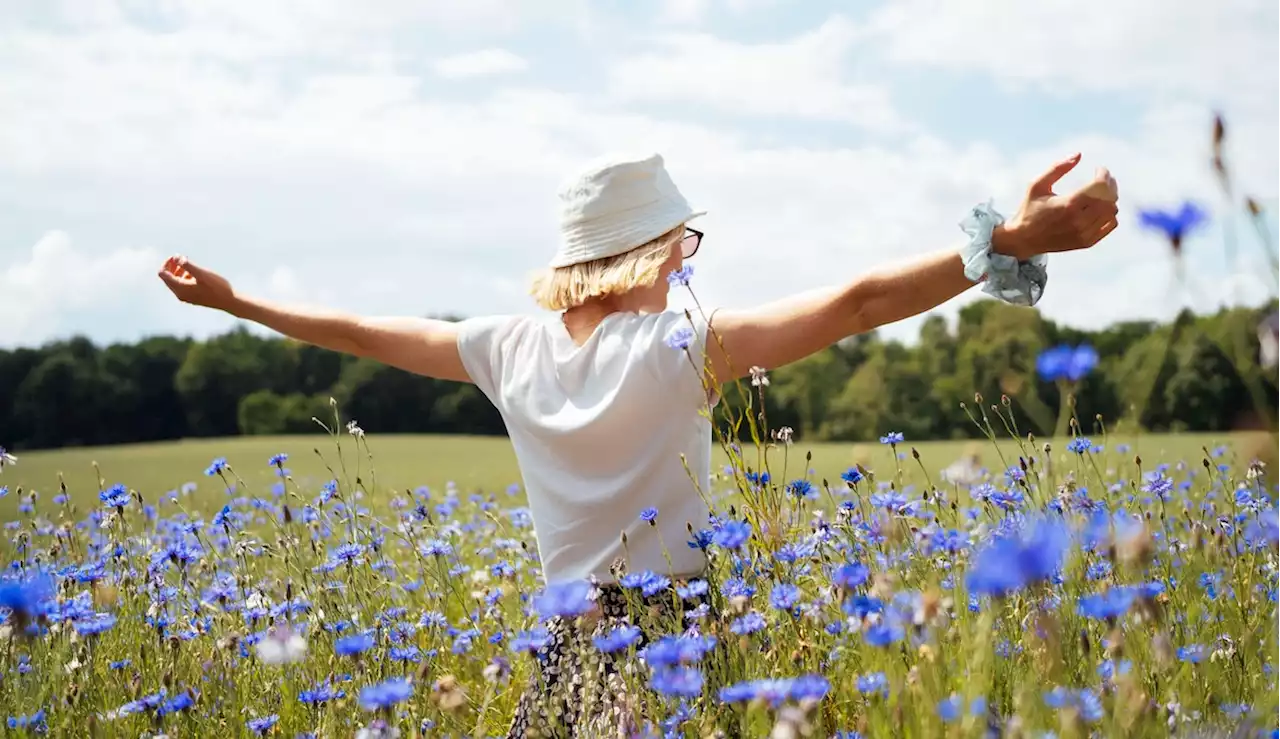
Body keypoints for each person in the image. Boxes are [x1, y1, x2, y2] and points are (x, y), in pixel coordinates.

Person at [158, 151, 1119, 737]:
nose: (685, 265)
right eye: (682, 245)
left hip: (567, 648)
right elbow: (860, 301)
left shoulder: (507, 346)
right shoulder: (683, 348)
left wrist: (234, 299)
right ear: (656, 253)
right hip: (681, 639)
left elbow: (361, 330)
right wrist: (1002, 242)